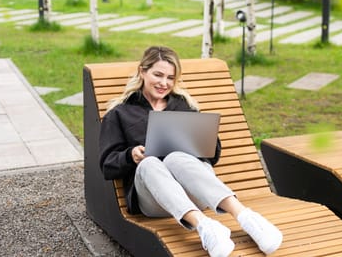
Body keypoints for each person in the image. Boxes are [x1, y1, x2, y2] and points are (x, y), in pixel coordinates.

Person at [99, 46, 283, 257]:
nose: (164, 83)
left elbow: (213, 154)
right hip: (155, 200)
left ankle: (247, 218)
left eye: (170, 77)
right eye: (157, 75)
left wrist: (200, 140)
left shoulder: (183, 105)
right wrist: (130, 155)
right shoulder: (120, 113)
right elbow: (107, 165)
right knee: (149, 163)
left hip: (197, 193)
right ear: (142, 71)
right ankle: (205, 226)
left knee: (176, 157)